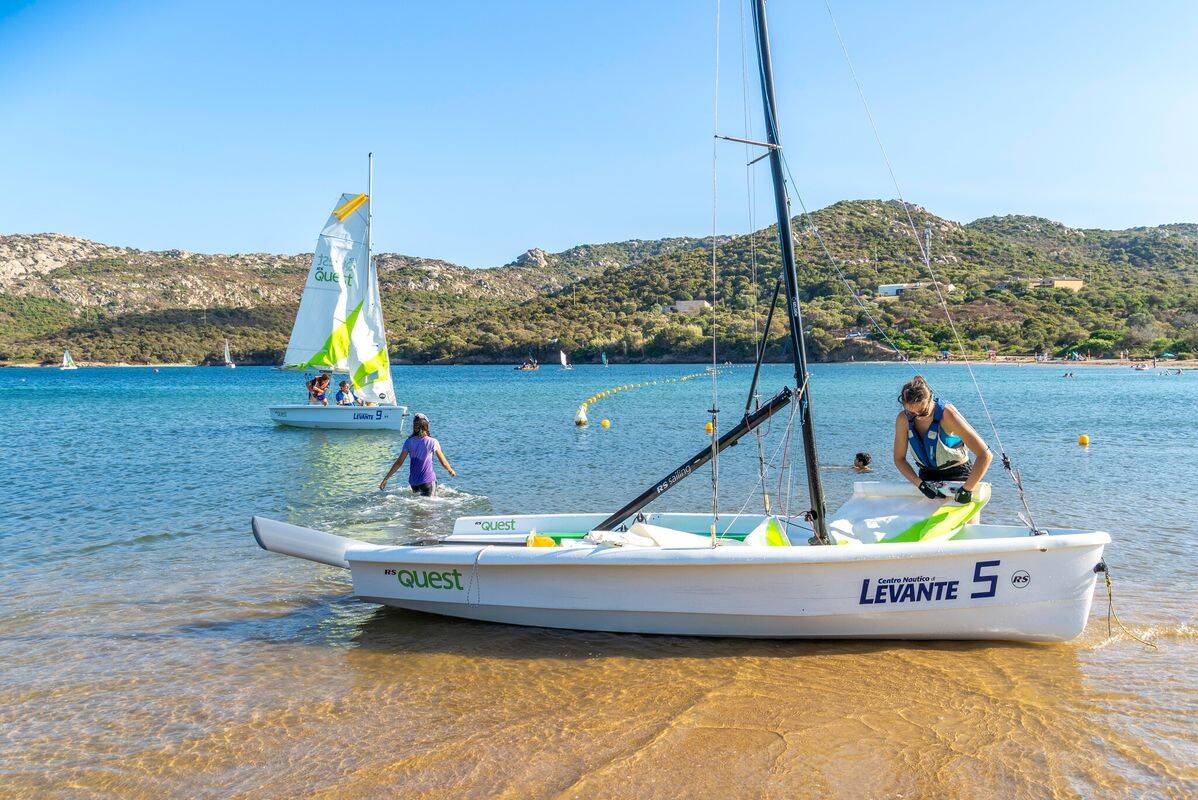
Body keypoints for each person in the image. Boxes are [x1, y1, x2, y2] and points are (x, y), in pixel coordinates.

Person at [893, 375, 992, 503]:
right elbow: (899, 459)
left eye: (923, 412)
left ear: (931, 398)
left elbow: (985, 455)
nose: (918, 417)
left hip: (959, 477)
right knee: (928, 523)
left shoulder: (949, 416)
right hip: (927, 479)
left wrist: (967, 489)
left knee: (966, 523)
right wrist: (920, 485)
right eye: (910, 412)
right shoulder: (903, 419)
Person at [379, 413, 457, 497]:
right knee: (430, 507)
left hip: (414, 483)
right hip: (428, 481)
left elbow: (399, 462)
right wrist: (450, 470)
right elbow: (443, 461)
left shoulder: (408, 442)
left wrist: (386, 478)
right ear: (426, 426)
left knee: (418, 506)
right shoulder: (432, 442)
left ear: (414, 427)